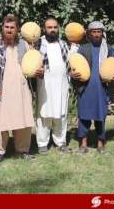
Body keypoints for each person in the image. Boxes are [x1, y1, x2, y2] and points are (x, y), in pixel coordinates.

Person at [0, 14, 35, 163]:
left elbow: (31, 62)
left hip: (21, 87)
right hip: (1, 88)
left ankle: (22, 150)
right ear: (2, 28)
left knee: (24, 119)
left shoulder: (24, 44)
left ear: (17, 29)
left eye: (12, 27)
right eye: (7, 27)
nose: (9, 30)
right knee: (0, 121)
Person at [71, 21, 114, 154]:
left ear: (102, 33)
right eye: (94, 32)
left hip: (101, 90)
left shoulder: (108, 49)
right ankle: (83, 144)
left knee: (100, 117)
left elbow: (112, 67)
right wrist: (73, 73)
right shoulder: (83, 48)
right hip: (85, 89)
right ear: (89, 34)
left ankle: (101, 144)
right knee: (84, 117)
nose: (96, 34)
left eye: (99, 31)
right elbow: (76, 66)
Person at [35, 17, 71, 154]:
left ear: (58, 28)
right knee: (44, 114)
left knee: (61, 113)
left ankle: (60, 142)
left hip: (62, 84)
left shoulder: (63, 44)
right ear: (44, 29)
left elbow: (69, 63)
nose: (52, 30)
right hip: (45, 85)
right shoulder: (38, 44)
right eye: (49, 27)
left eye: (55, 27)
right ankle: (42, 143)